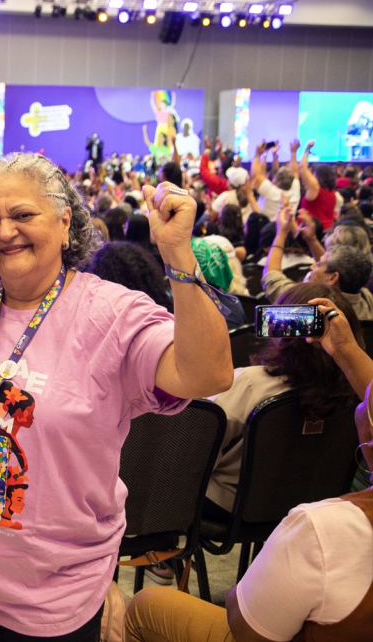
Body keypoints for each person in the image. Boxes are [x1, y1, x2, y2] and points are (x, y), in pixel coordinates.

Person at [0, 152, 233, 640]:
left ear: (65, 222)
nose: (5, 231)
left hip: (55, 599)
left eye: (23, 215)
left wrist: (178, 254)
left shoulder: (112, 311)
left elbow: (208, 374)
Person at [125, 293, 373, 642]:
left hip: (234, 509)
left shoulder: (248, 384)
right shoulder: (351, 399)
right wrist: (347, 351)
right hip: (302, 500)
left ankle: (160, 559)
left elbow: (188, 442)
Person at [207, 283, 362, 514]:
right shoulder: (361, 393)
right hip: (317, 507)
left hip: (236, 509)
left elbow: (198, 449)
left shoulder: (249, 383)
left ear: (282, 332)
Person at [264, 204, 373, 319]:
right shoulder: (367, 299)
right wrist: (312, 240)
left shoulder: (307, 302)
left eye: (319, 264)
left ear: (332, 278)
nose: (312, 266)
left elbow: (271, 276)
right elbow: (337, 265)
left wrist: (281, 232)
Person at [300, 140, 340, 229]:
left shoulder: (315, 187)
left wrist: (307, 149)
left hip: (312, 230)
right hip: (327, 229)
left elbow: (302, 168)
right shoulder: (332, 193)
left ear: (318, 176)